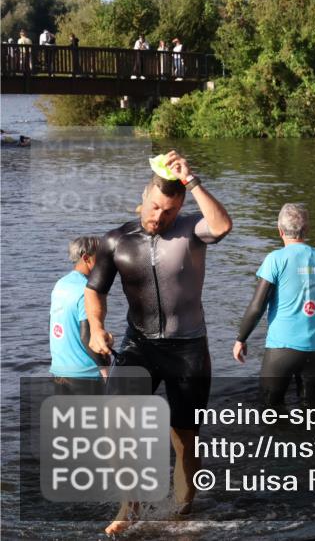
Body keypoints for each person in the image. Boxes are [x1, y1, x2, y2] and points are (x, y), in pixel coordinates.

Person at [85, 150, 232, 535]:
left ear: (179, 205)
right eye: (153, 207)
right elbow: (94, 290)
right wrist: (97, 328)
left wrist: (192, 180)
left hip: (188, 351)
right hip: (140, 344)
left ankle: (182, 511)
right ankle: (128, 507)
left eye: (167, 211)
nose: (158, 217)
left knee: (185, 439)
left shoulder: (191, 229)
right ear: (144, 197)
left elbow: (222, 226)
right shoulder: (116, 240)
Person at [233, 203, 315, 408]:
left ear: (279, 231)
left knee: (269, 410)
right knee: (311, 410)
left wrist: (241, 339)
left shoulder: (275, 260)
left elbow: (257, 306)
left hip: (282, 348)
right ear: (306, 230)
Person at [50, 236, 108, 395]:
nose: (106, 262)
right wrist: (104, 370)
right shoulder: (87, 289)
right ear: (86, 258)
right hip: (85, 374)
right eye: (101, 257)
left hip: (60, 371)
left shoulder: (60, 284)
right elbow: (86, 335)